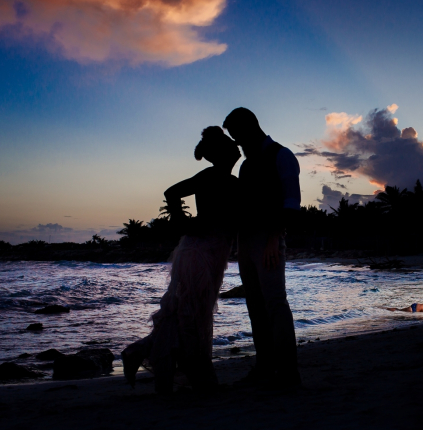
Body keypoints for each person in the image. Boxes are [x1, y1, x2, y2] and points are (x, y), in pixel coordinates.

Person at [121, 126, 240, 394]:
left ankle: (141, 354)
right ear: (222, 154)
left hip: (207, 252)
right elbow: (171, 192)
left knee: (184, 314)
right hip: (198, 253)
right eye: (231, 147)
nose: (236, 150)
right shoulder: (212, 176)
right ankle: (198, 377)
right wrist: (182, 222)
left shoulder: (228, 180)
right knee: (190, 316)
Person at [222, 107, 301, 389]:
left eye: (238, 137)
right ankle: (265, 367)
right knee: (255, 306)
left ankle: (289, 373)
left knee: (275, 304)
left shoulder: (282, 155)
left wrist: (272, 239)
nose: (238, 144)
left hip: (269, 240)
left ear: (250, 129)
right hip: (246, 242)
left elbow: (291, 204)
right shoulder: (246, 165)